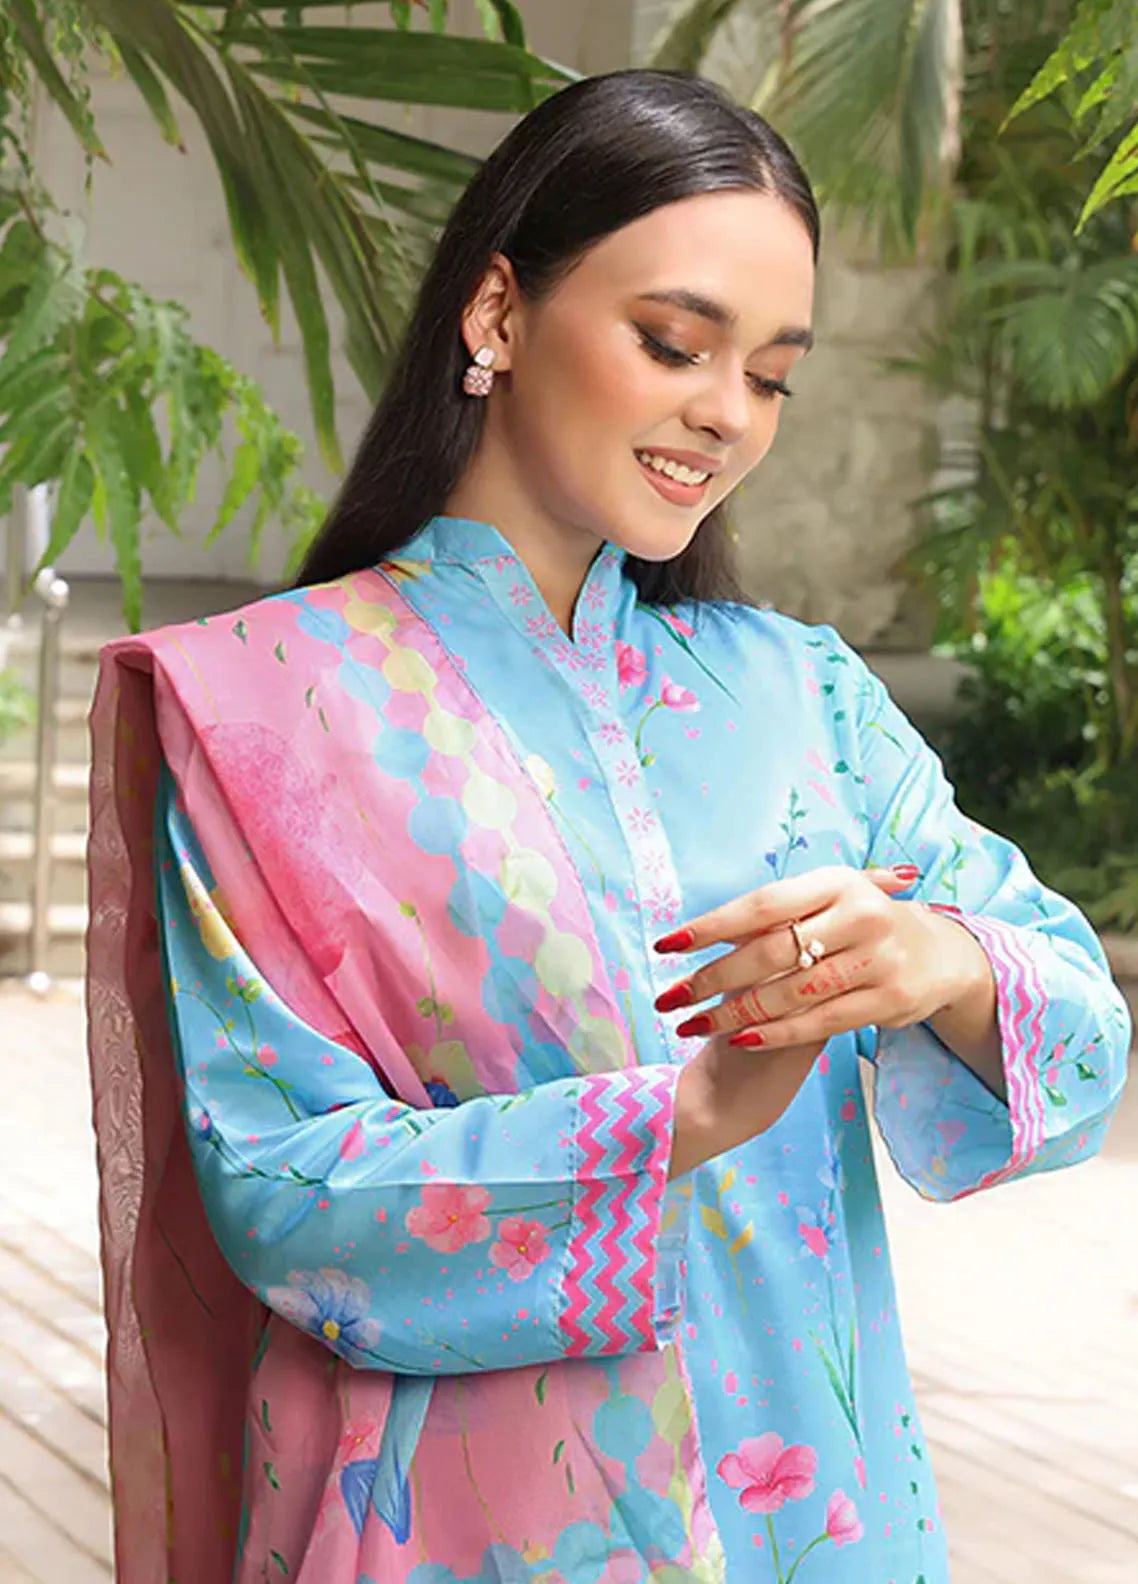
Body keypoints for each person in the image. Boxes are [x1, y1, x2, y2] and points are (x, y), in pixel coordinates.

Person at [86, 69, 1130, 1584]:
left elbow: (1083, 1030)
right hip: (462, 1526)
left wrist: (940, 963)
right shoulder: (268, 705)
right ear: (497, 313)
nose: (727, 412)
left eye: (772, 375)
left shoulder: (803, 698)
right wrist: (684, 1118)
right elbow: (277, 1190)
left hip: (808, 1508)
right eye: (674, 343)